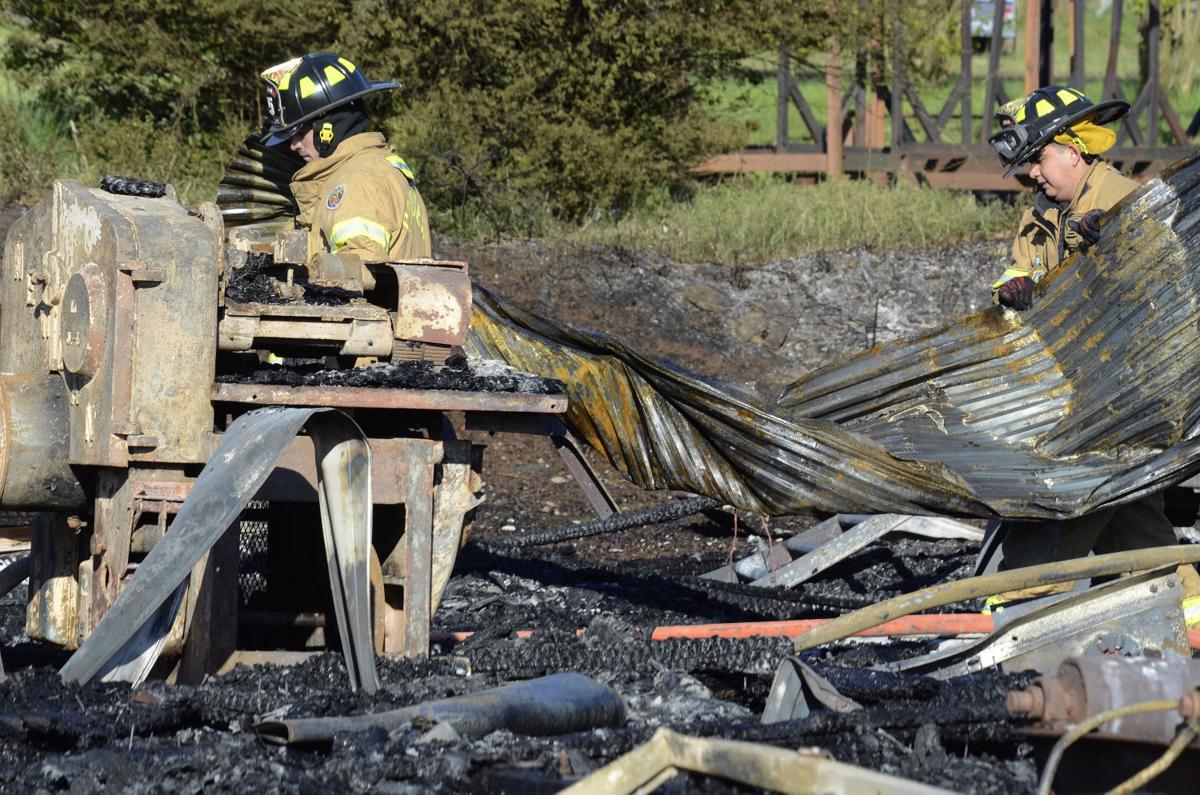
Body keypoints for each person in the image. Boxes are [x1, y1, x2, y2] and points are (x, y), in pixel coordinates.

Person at [979, 87, 1198, 614]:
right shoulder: (1040, 216)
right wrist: (1012, 292)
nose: (1033, 173)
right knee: (1130, 508)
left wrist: (1115, 249)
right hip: (1071, 387)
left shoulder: (1129, 201)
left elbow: (1170, 293)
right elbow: (1020, 273)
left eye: (1038, 159)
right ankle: (1183, 604)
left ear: (1072, 152)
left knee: (1074, 494)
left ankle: (1020, 603)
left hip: (1126, 394)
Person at [259, 52, 431, 271]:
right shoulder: (382, 165)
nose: (294, 145)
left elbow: (355, 273)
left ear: (327, 128)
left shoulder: (357, 183)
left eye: (300, 132)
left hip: (381, 305)